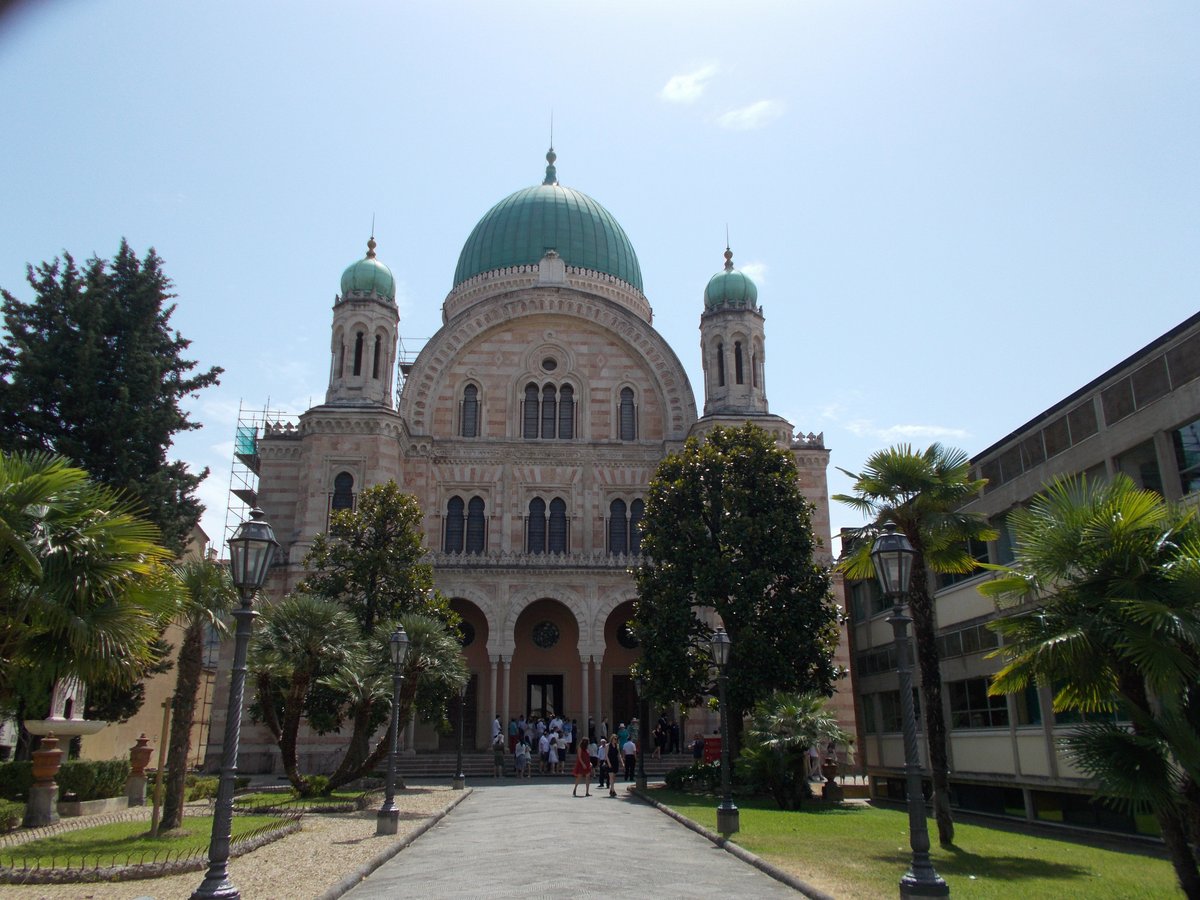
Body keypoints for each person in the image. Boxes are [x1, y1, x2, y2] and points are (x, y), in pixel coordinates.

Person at [606, 733, 621, 797]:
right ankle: (612, 790)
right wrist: (608, 763)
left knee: (613, 777)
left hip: (615, 762)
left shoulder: (617, 745)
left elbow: (619, 754)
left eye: (616, 739)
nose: (616, 740)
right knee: (611, 777)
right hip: (610, 761)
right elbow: (606, 755)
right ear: (612, 739)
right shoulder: (608, 745)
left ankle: (611, 790)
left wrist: (622, 762)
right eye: (615, 739)